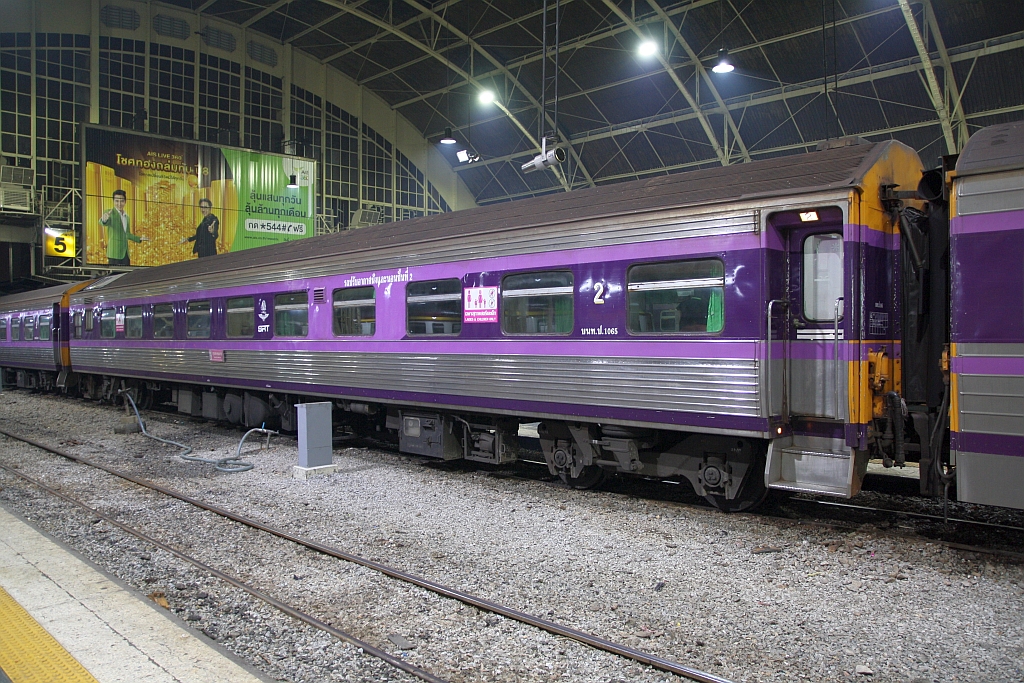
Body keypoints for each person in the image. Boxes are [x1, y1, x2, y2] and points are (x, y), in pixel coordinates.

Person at [99, 189, 148, 266]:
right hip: (114, 252)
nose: (119, 204)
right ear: (113, 201)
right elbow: (103, 222)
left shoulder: (127, 217)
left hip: (125, 253)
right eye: (116, 201)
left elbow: (127, 234)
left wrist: (139, 238)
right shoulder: (110, 213)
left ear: (125, 202)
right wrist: (104, 219)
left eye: (121, 201)